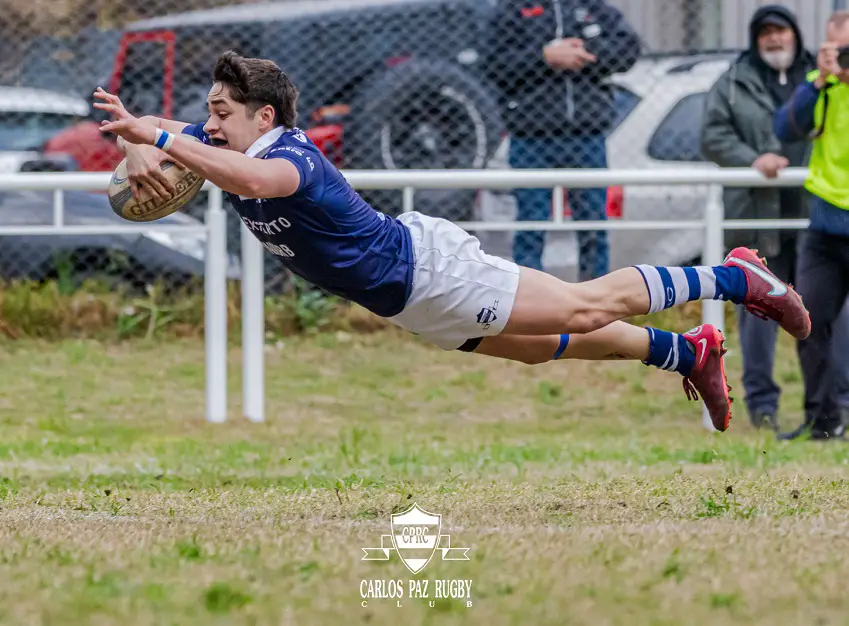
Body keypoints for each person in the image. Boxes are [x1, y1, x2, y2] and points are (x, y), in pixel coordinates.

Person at [93, 51, 812, 433]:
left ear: (265, 117)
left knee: (581, 307)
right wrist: (135, 138)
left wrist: (162, 140)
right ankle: (687, 353)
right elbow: (168, 136)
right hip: (406, 300)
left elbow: (243, 175)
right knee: (536, 348)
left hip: (429, 272)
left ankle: (735, 278)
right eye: (208, 114)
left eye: (221, 112)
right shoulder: (226, 141)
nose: (208, 124)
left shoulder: (287, 159)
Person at [701, 5, 849, 433]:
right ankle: (788, 412)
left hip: (806, 212)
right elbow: (779, 128)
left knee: (832, 319)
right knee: (773, 313)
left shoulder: (811, 74)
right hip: (768, 216)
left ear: (797, 36)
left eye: (781, 30)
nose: (774, 38)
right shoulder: (741, 80)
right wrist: (753, 158)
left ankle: (838, 406)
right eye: (765, 31)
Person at [486, 0, 641, 280]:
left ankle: (594, 298)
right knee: (531, 227)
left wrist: (584, 53)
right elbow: (494, 63)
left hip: (587, 136)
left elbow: (628, 49)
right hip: (530, 137)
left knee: (593, 227)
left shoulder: (592, 7)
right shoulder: (512, 9)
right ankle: (532, 300)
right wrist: (544, 56)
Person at [773, 10, 849, 440]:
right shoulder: (822, 86)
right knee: (808, 322)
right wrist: (819, 81)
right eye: (839, 49)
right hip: (825, 225)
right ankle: (822, 421)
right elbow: (787, 128)